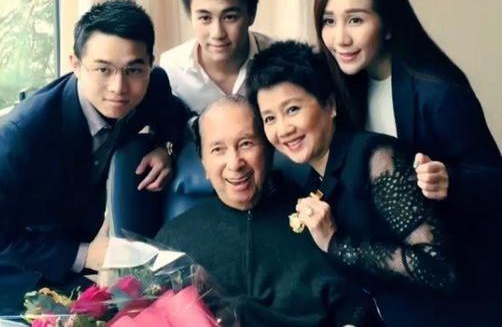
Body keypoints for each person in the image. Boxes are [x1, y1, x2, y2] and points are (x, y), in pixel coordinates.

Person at [0, 0, 188, 315]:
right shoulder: (24, 131)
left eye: (134, 69)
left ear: (150, 64)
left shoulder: (151, 86)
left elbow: (174, 113)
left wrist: (166, 148)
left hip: (76, 250)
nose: (119, 87)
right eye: (103, 69)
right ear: (76, 64)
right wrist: (86, 255)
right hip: (12, 270)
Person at [313, 0, 502, 323]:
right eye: (329, 21)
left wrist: (451, 180)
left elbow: (495, 180)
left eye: (355, 20)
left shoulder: (438, 92)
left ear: (387, 25)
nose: (340, 38)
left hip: (460, 279)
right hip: (391, 271)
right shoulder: (343, 86)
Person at [246, 41, 461, 327]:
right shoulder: (311, 183)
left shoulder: (377, 158)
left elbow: (439, 269)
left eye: (293, 109)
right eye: (270, 118)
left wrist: (336, 244)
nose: (283, 129)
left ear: (330, 105)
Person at [155, 95, 382, 327]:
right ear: (204, 163)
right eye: (218, 149)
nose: (235, 163)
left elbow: (356, 306)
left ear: (268, 150)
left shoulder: (317, 219)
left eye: (246, 144)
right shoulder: (173, 240)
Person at [160, 0, 274, 114]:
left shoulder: (280, 58)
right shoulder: (171, 68)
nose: (218, 33)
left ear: (252, 14)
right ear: (190, 16)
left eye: (230, 17)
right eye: (205, 18)